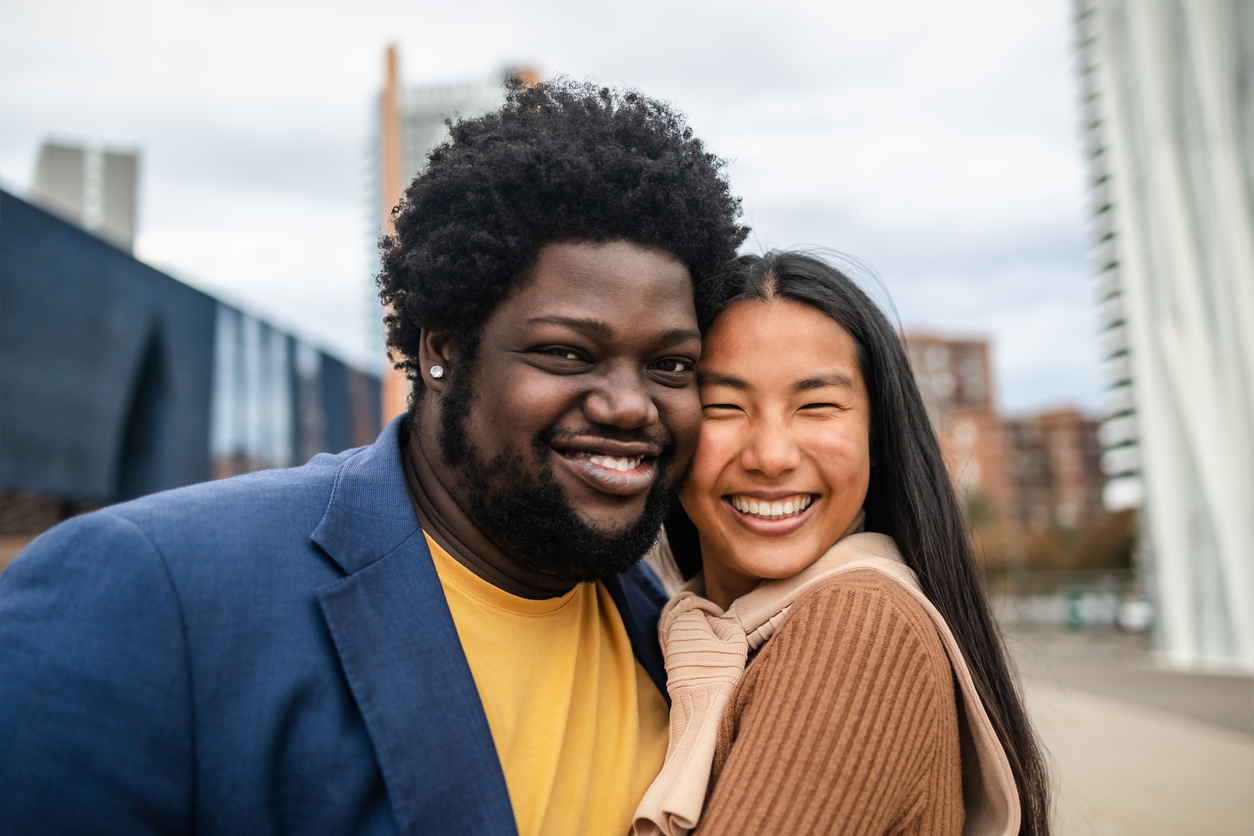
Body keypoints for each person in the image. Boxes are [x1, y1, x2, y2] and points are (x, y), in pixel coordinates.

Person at [0, 78, 746, 836]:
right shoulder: (150, 593)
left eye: (672, 366)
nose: (629, 405)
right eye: (565, 352)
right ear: (443, 351)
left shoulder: (678, 638)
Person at [633, 251, 1051, 836]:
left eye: (817, 407)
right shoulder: (673, 628)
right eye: (722, 407)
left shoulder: (859, 625)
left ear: (877, 437)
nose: (771, 457)